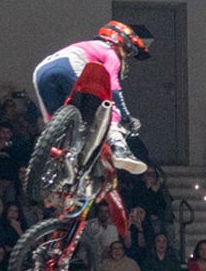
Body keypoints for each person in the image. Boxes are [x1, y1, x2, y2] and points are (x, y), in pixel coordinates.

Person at [31, 21, 154, 175]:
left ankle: (49, 164)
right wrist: (126, 116)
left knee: (56, 127)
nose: (127, 58)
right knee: (108, 105)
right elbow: (113, 87)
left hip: (41, 71)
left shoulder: (87, 45)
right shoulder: (110, 51)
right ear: (123, 43)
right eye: (128, 54)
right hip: (69, 65)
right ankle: (119, 148)